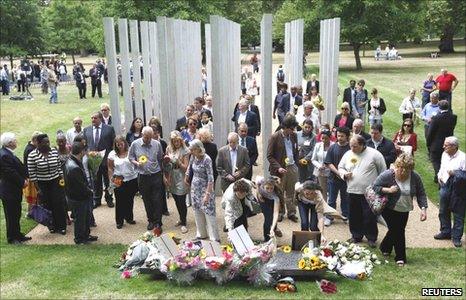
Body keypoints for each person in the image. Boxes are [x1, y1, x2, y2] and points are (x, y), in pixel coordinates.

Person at [373, 153, 427, 265]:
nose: (402, 171)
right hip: (389, 208)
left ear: (411, 169)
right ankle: (400, 257)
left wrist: (423, 209)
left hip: (405, 209)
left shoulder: (415, 177)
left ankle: (385, 247)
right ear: (396, 165)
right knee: (398, 231)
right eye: (400, 167)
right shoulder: (388, 175)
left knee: (395, 230)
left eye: (406, 169)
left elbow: (421, 193)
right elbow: (375, 186)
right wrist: (388, 190)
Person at [338, 134, 387, 248]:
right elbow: (340, 167)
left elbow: (383, 171)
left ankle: (371, 237)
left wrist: (379, 188)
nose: (352, 149)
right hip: (352, 190)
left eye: (355, 146)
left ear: (362, 145)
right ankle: (356, 235)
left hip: (369, 192)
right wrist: (344, 174)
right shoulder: (348, 154)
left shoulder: (375, 155)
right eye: (351, 146)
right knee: (354, 214)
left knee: (369, 215)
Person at [28, 134, 67, 235]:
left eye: (48, 141)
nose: (48, 144)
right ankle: (51, 225)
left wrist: (61, 178)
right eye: (45, 142)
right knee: (47, 204)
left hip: (55, 181)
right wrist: (38, 188)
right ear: (39, 143)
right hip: (42, 183)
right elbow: (32, 174)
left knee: (58, 203)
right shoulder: (32, 155)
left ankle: (61, 226)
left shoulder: (54, 151)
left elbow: (59, 166)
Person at [129, 127, 164, 234]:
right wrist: (136, 163)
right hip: (143, 176)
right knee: (147, 199)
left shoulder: (157, 144)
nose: (148, 140)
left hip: (155, 175)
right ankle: (151, 220)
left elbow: (160, 158)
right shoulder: (135, 144)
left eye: (150, 137)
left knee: (157, 199)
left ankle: (158, 222)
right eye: (146, 137)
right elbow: (130, 158)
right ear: (142, 135)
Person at [267, 114, 299, 223]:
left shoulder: (294, 136)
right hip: (280, 169)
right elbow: (269, 156)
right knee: (279, 191)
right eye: (291, 128)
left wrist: (296, 164)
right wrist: (278, 168)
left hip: (292, 167)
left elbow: (296, 151)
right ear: (284, 127)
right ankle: (280, 212)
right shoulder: (275, 137)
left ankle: (292, 212)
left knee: (292, 191)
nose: (293, 130)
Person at [185, 139, 219, 242]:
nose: (191, 151)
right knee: (197, 211)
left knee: (209, 212)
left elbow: (211, 178)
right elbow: (189, 167)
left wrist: (207, 194)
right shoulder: (193, 156)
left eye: (192, 149)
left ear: (198, 149)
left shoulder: (207, 159)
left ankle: (214, 238)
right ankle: (201, 234)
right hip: (195, 189)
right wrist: (186, 175)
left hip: (205, 188)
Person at [434, 136, 465, 248]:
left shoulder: (463, 158)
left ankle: (456, 237)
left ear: (454, 146)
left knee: (458, 213)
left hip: (458, 189)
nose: (443, 147)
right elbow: (442, 167)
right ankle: (445, 231)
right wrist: (439, 176)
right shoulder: (444, 154)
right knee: (443, 210)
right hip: (444, 185)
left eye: (446, 145)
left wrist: (455, 173)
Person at [0, 132, 30, 244]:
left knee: (16, 213)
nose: (16, 142)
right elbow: (10, 172)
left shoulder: (7, 153)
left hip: (14, 190)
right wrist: (23, 182)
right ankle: (12, 238)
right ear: (10, 143)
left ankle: (17, 234)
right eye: (15, 140)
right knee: (11, 214)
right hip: (9, 191)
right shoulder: (4, 155)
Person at [65, 142, 97, 245]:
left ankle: (86, 235)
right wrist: (90, 191)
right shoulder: (74, 167)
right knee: (80, 219)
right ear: (81, 152)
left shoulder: (72, 162)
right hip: (79, 198)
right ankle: (79, 238)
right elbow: (80, 186)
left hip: (78, 197)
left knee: (86, 217)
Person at [83, 111, 116, 208]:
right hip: (93, 162)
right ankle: (96, 199)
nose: (93, 120)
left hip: (106, 161)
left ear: (100, 118)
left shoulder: (109, 129)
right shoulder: (86, 130)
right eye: (92, 118)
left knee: (108, 181)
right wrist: (87, 153)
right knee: (96, 182)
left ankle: (109, 198)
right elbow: (85, 145)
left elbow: (112, 144)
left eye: (95, 118)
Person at [108, 136, 138, 229]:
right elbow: (110, 168)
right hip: (118, 180)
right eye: (117, 144)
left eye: (121, 143)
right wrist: (111, 179)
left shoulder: (130, 152)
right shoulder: (112, 154)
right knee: (120, 201)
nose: (120, 145)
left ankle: (129, 218)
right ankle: (119, 221)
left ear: (125, 142)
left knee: (130, 200)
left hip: (132, 179)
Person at [324, 127, 351, 226]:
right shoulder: (333, 147)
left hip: (346, 179)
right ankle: (329, 217)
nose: (339, 138)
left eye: (342, 136)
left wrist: (345, 174)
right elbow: (328, 163)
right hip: (333, 178)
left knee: (345, 198)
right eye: (338, 135)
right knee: (331, 199)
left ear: (347, 137)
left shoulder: (350, 148)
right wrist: (338, 173)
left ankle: (345, 215)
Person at [164, 131, 190, 234]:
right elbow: (166, 164)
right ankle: (181, 218)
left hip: (181, 176)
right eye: (174, 141)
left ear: (181, 140)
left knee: (181, 200)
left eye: (178, 141)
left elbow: (186, 168)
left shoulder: (185, 151)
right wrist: (166, 177)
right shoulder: (169, 149)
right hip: (172, 175)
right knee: (175, 198)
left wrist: (178, 161)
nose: (176, 143)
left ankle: (184, 223)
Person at [426, 100, 457, 182]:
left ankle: (439, 177)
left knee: (435, 161)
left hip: (437, 144)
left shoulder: (436, 118)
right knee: (444, 160)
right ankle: (439, 177)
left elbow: (430, 132)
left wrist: (428, 143)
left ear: (439, 107)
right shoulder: (453, 117)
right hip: (449, 143)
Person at [256, 176, 282, 241]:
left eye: (271, 188)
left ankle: (274, 228)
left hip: (272, 199)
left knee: (273, 216)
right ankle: (267, 238)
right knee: (268, 218)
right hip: (262, 198)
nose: (269, 190)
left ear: (274, 186)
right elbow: (257, 183)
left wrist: (272, 228)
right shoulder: (261, 180)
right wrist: (258, 193)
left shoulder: (276, 195)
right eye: (267, 188)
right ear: (263, 185)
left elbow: (276, 213)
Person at [311, 128, 333, 202]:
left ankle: (331, 206)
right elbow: (313, 159)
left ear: (329, 138)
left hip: (331, 172)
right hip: (321, 172)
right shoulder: (318, 145)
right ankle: (324, 207)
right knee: (323, 191)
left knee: (331, 192)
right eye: (322, 138)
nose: (324, 140)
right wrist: (319, 166)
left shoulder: (333, 146)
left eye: (326, 138)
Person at [23, 131, 42, 217]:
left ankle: (31, 212)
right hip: (31, 177)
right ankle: (30, 213)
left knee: (33, 197)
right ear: (34, 140)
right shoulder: (30, 149)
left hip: (30, 176)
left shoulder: (30, 147)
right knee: (32, 197)